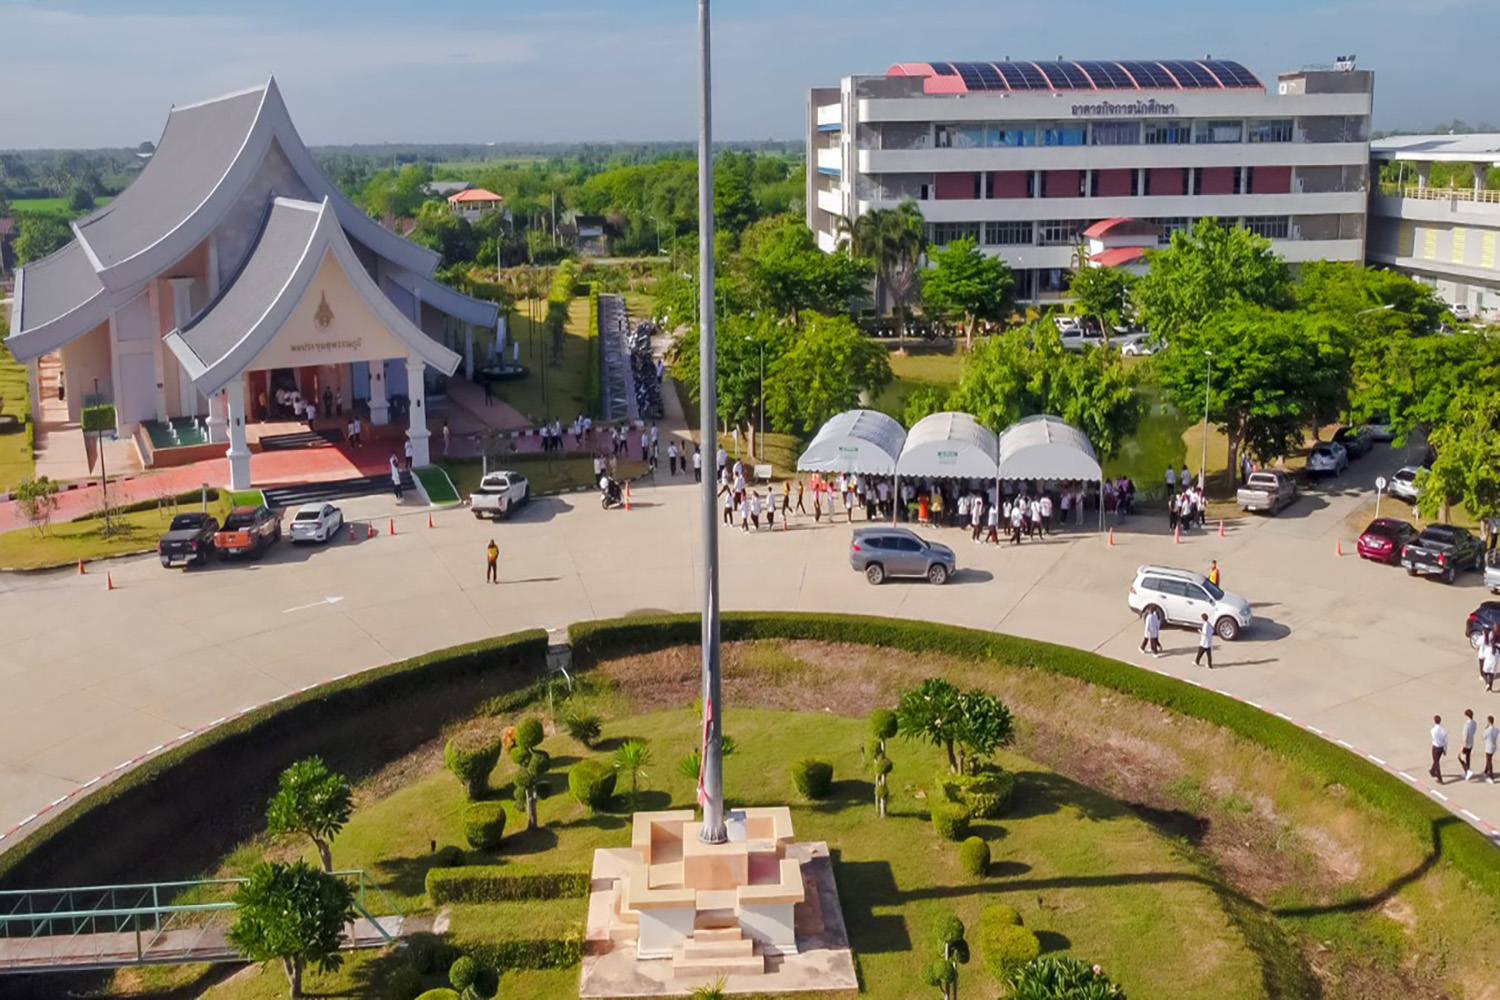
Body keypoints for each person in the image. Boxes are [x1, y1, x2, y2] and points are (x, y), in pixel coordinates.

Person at [1461, 709, 1478, 781]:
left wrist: (1463, 745)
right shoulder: (1474, 723)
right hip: (1471, 742)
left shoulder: (1466, 724)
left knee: (1460, 757)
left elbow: (1465, 735)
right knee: (1468, 757)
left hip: (1466, 743)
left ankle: (1467, 770)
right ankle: (1466, 771)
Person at [1430, 714, 1448, 783]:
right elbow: (1446, 741)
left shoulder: (1433, 730)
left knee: (1436, 761)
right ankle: (1432, 771)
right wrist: (1445, 749)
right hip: (1441, 747)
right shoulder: (1443, 730)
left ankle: (1439, 777)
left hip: (1435, 747)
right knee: (1436, 760)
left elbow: (1433, 738)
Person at [1485, 715, 1498, 783]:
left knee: (1489, 760)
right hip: (1494, 746)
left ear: (1489, 721)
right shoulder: (1496, 729)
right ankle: (1486, 770)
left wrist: (1486, 728)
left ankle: (1491, 776)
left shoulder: (1488, 730)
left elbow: (1484, 737)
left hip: (1489, 747)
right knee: (1488, 758)